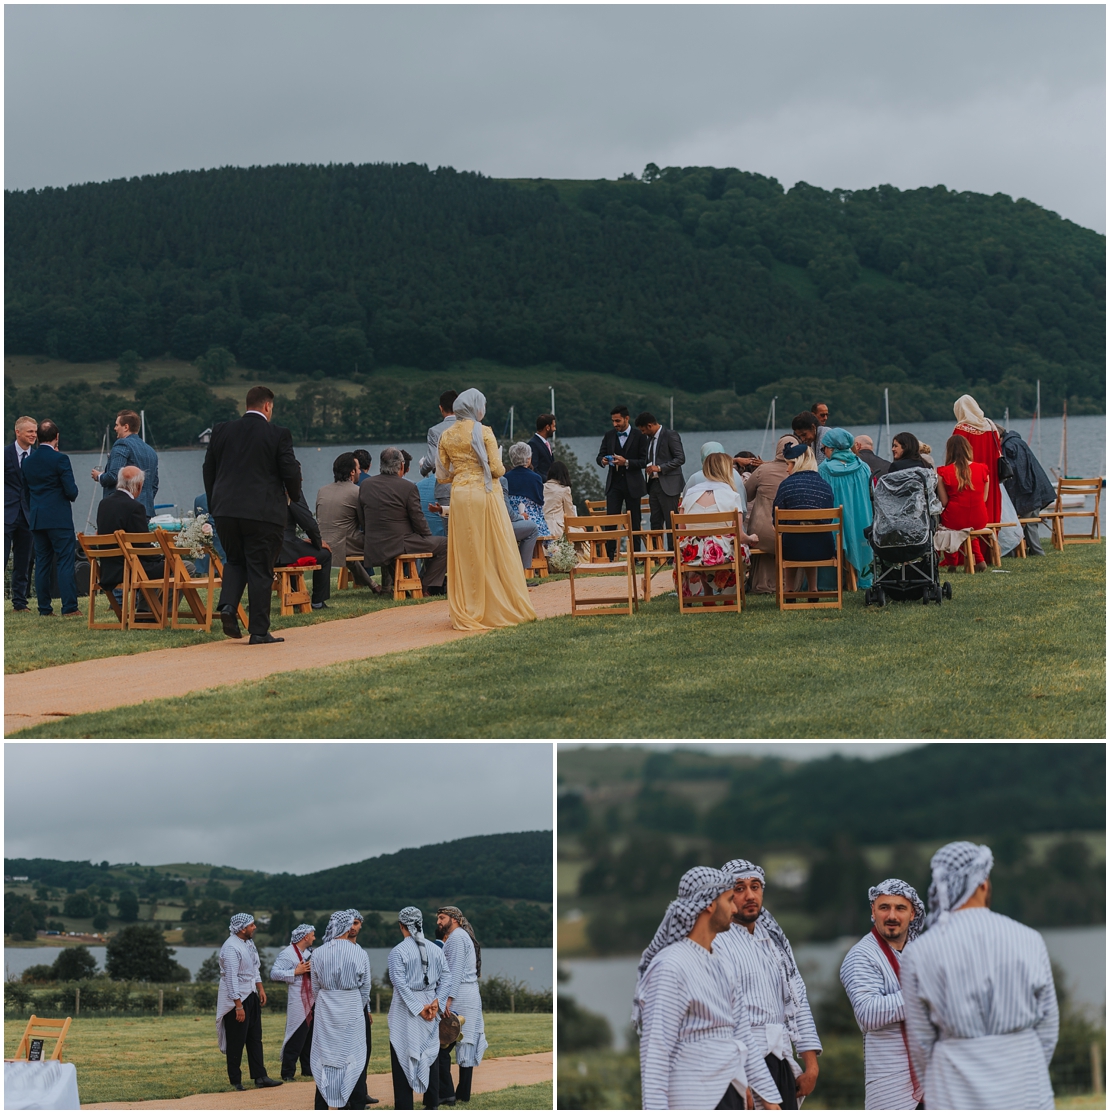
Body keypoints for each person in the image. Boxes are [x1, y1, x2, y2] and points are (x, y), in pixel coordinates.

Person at [902, 842, 1058, 1110]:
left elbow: (921, 1042)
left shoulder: (918, 952)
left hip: (954, 1089)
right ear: (983, 882)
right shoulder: (1029, 938)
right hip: (1026, 1086)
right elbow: (1048, 1027)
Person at [632, 867, 782, 1111]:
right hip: (694, 1099)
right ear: (710, 904)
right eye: (730, 900)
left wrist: (769, 1099)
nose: (735, 909)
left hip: (731, 1093)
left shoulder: (722, 961)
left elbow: (743, 1035)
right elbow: (656, 1057)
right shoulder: (671, 966)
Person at [714, 860, 821, 1110]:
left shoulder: (773, 940)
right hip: (741, 1065)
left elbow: (798, 998)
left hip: (780, 1059)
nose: (749, 895)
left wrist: (812, 1066)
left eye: (755, 886)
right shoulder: (717, 942)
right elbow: (718, 1018)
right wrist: (737, 1080)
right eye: (739, 888)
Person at [203, 385, 302, 644]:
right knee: (260, 569)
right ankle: (258, 631)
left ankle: (227, 606)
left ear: (246, 404)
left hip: (225, 510)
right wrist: (294, 495)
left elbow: (208, 469)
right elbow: (289, 470)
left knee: (235, 561)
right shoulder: (278, 434)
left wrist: (215, 502)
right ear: (267, 406)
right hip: (262, 512)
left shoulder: (222, 430)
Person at [436, 389, 537, 631]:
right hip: (484, 493)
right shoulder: (484, 432)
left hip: (460, 494)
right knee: (493, 545)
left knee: (466, 548)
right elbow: (498, 469)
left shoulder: (446, 435)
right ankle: (497, 601)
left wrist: (461, 473)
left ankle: (468, 603)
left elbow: (441, 475)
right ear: (476, 407)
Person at [838, 880, 926, 1110]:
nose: (892, 915)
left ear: (913, 914)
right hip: (892, 1086)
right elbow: (868, 1014)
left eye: (900, 908)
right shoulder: (861, 956)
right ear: (873, 911)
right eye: (884, 907)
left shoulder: (924, 951)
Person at [359, 447, 448, 595]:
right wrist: (426, 536)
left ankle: (407, 585)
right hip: (399, 543)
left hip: (373, 544)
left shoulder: (366, 485)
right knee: (445, 544)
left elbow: (362, 518)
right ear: (401, 465)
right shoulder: (407, 487)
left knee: (417, 543)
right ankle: (424, 586)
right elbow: (418, 519)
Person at [310, 909, 375, 1111]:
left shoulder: (318, 952)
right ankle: (354, 1104)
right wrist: (357, 1003)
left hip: (325, 1006)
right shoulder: (360, 952)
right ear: (348, 927)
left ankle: (322, 1103)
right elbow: (366, 987)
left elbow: (314, 987)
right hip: (352, 1005)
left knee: (325, 1054)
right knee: (353, 1053)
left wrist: (325, 1000)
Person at [389, 907, 449, 1111]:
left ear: (401, 925)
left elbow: (399, 983)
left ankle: (404, 1106)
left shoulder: (398, 951)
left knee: (402, 1054)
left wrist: (418, 1008)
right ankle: (432, 1105)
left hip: (406, 1009)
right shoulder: (436, 949)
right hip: (431, 1004)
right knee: (430, 1054)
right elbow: (447, 977)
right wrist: (436, 1003)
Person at [677, 453, 759, 602]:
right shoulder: (732, 495)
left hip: (692, 556)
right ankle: (729, 596)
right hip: (723, 555)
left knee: (701, 543)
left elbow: (682, 531)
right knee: (739, 548)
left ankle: (708, 595)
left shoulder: (689, 494)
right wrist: (751, 538)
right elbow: (739, 535)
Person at [20, 419, 80, 618]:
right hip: (58, 518)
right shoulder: (60, 459)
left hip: (37, 518)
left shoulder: (28, 461)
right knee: (64, 561)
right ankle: (69, 607)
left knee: (42, 563)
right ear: (57, 437)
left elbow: (26, 493)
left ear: (37, 438)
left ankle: (44, 608)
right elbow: (71, 492)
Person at [215, 913, 281, 1091]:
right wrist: (238, 1005)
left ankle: (260, 1076)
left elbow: (255, 968)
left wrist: (260, 988)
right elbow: (231, 978)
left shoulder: (248, 943)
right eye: (252, 925)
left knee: (254, 1038)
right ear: (243, 928)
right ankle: (235, 1080)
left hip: (250, 993)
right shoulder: (230, 948)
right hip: (237, 998)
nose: (255, 927)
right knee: (236, 1040)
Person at [435, 906, 487, 1105]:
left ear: (454, 919)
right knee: (462, 1043)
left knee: (443, 1043)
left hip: (460, 995)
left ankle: (446, 1093)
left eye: (442, 917)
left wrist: (447, 999)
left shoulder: (457, 937)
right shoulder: (462, 935)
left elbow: (454, 971)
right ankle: (461, 1093)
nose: (438, 922)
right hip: (469, 992)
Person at [773, 445, 837, 600]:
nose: (787, 469)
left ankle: (789, 590)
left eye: (789, 464)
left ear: (797, 463)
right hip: (822, 549)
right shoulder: (825, 486)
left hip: (791, 549)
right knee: (813, 534)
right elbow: (828, 520)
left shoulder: (786, 485)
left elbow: (776, 520)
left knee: (790, 536)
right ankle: (813, 589)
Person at [818, 428, 873, 589]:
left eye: (824, 449)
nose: (824, 453)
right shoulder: (863, 467)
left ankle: (831, 582)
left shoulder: (823, 470)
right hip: (861, 522)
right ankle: (863, 579)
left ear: (832, 448)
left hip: (834, 526)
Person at [317, 452, 380, 590]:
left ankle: (372, 585)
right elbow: (365, 524)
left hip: (322, 542)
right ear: (352, 472)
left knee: (347, 534)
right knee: (386, 546)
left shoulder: (322, 491)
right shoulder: (356, 491)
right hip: (343, 545)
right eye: (358, 469)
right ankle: (388, 586)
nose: (359, 471)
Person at [95, 467, 162, 593]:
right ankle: (159, 610)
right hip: (129, 569)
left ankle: (146, 608)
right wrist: (161, 556)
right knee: (184, 566)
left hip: (108, 571)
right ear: (138, 485)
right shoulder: (135, 507)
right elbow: (142, 545)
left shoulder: (103, 504)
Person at [743, 436, 797, 595]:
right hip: (794, 535)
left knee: (761, 534)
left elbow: (747, 496)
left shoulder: (762, 470)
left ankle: (761, 584)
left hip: (763, 535)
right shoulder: (804, 471)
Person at [596, 405, 648, 554]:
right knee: (611, 520)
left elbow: (644, 461)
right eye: (613, 421)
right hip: (614, 483)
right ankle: (610, 555)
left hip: (633, 484)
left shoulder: (639, 436)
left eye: (617, 421)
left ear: (627, 418)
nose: (615, 424)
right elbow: (599, 456)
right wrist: (603, 461)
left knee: (635, 521)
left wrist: (626, 462)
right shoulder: (609, 435)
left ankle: (637, 556)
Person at [270, 923, 316, 1084]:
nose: (314, 938)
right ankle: (287, 1071)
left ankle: (307, 1068)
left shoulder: (310, 952)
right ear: (305, 937)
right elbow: (274, 974)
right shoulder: (287, 954)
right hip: (298, 998)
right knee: (296, 1033)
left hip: (313, 997)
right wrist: (295, 972)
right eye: (312, 935)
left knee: (310, 1035)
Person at [936, 434, 990, 571]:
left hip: (955, 517)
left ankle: (952, 563)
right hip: (979, 517)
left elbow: (944, 502)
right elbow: (984, 498)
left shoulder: (943, 472)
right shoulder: (983, 469)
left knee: (947, 529)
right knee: (970, 528)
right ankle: (979, 560)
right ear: (968, 449)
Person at [91, 409, 160, 516]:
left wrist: (99, 476)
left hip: (121, 511)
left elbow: (113, 476)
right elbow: (154, 485)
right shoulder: (151, 451)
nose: (115, 428)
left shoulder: (122, 444)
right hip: (146, 511)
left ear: (126, 427)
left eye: (117, 425)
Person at [1000, 428, 1055, 556]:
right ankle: (1032, 551)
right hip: (1036, 488)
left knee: (1028, 522)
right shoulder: (1017, 442)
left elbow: (1016, 470)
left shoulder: (1009, 446)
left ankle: (1034, 551)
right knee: (1031, 522)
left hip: (1028, 491)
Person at [953, 394, 1004, 526]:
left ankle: (972, 546)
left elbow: (955, 457)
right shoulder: (991, 426)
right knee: (991, 510)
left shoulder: (961, 429)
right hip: (991, 476)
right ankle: (991, 545)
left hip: (971, 478)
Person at [637, 412, 686, 547]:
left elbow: (680, 458)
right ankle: (657, 555)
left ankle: (672, 554)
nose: (642, 433)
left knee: (671, 522)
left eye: (643, 430)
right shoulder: (649, 440)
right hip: (653, 484)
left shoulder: (670, 435)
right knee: (655, 521)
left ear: (650, 425)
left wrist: (659, 468)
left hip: (669, 485)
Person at [5, 415, 37, 613]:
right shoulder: (5, 453)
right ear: (18, 432)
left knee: (24, 561)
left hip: (28, 515)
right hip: (6, 514)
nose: (34, 435)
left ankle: (20, 602)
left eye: (35, 431)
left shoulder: (37, 456)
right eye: (30, 432)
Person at [420, 390, 459, 506]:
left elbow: (432, 460)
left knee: (448, 524)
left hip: (445, 488)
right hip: (469, 487)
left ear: (441, 408)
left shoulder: (435, 431)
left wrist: (422, 470)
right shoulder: (470, 427)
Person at [500, 477, 544, 569]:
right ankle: (522, 572)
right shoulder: (500, 480)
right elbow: (509, 514)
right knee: (532, 528)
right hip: (499, 526)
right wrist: (521, 517)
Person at [541, 460, 575, 539]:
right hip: (557, 527)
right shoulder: (564, 490)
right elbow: (569, 513)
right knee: (581, 533)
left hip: (542, 525)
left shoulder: (542, 487)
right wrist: (579, 526)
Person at [527, 413, 556, 482]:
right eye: (553, 426)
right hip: (542, 485)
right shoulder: (533, 444)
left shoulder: (545, 443)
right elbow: (533, 468)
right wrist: (548, 481)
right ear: (547, 427)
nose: (555, 429)